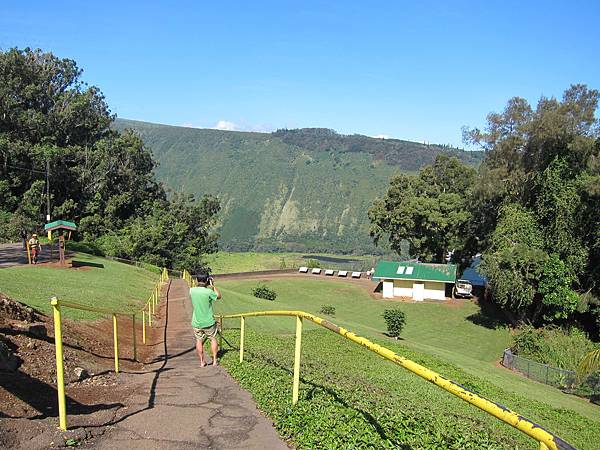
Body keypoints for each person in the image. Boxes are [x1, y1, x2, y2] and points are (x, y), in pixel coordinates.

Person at [190, 273, 222, 367]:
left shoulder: (191, 290)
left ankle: (202, 362)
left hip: (196, 321)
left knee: (199, 340)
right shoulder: (209, 292)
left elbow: (197, 288)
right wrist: (212, 285)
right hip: (208, 321)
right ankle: (215, 361)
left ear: (196, 280)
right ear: (207, 280)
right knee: (212, 338)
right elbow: (218, 296)